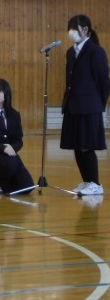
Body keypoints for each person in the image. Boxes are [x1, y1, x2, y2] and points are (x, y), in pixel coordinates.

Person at [61, 15, 109, 196]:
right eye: (70, 29)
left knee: (86, 146)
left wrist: (99, 105)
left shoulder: (96, 52)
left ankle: (95, 183)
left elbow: (103, 82)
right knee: (77, 145)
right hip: (73, 106)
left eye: (75, 28)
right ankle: (87, 181)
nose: (71, 32)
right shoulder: (70, 52)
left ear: (86, 30)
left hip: (89, 107)